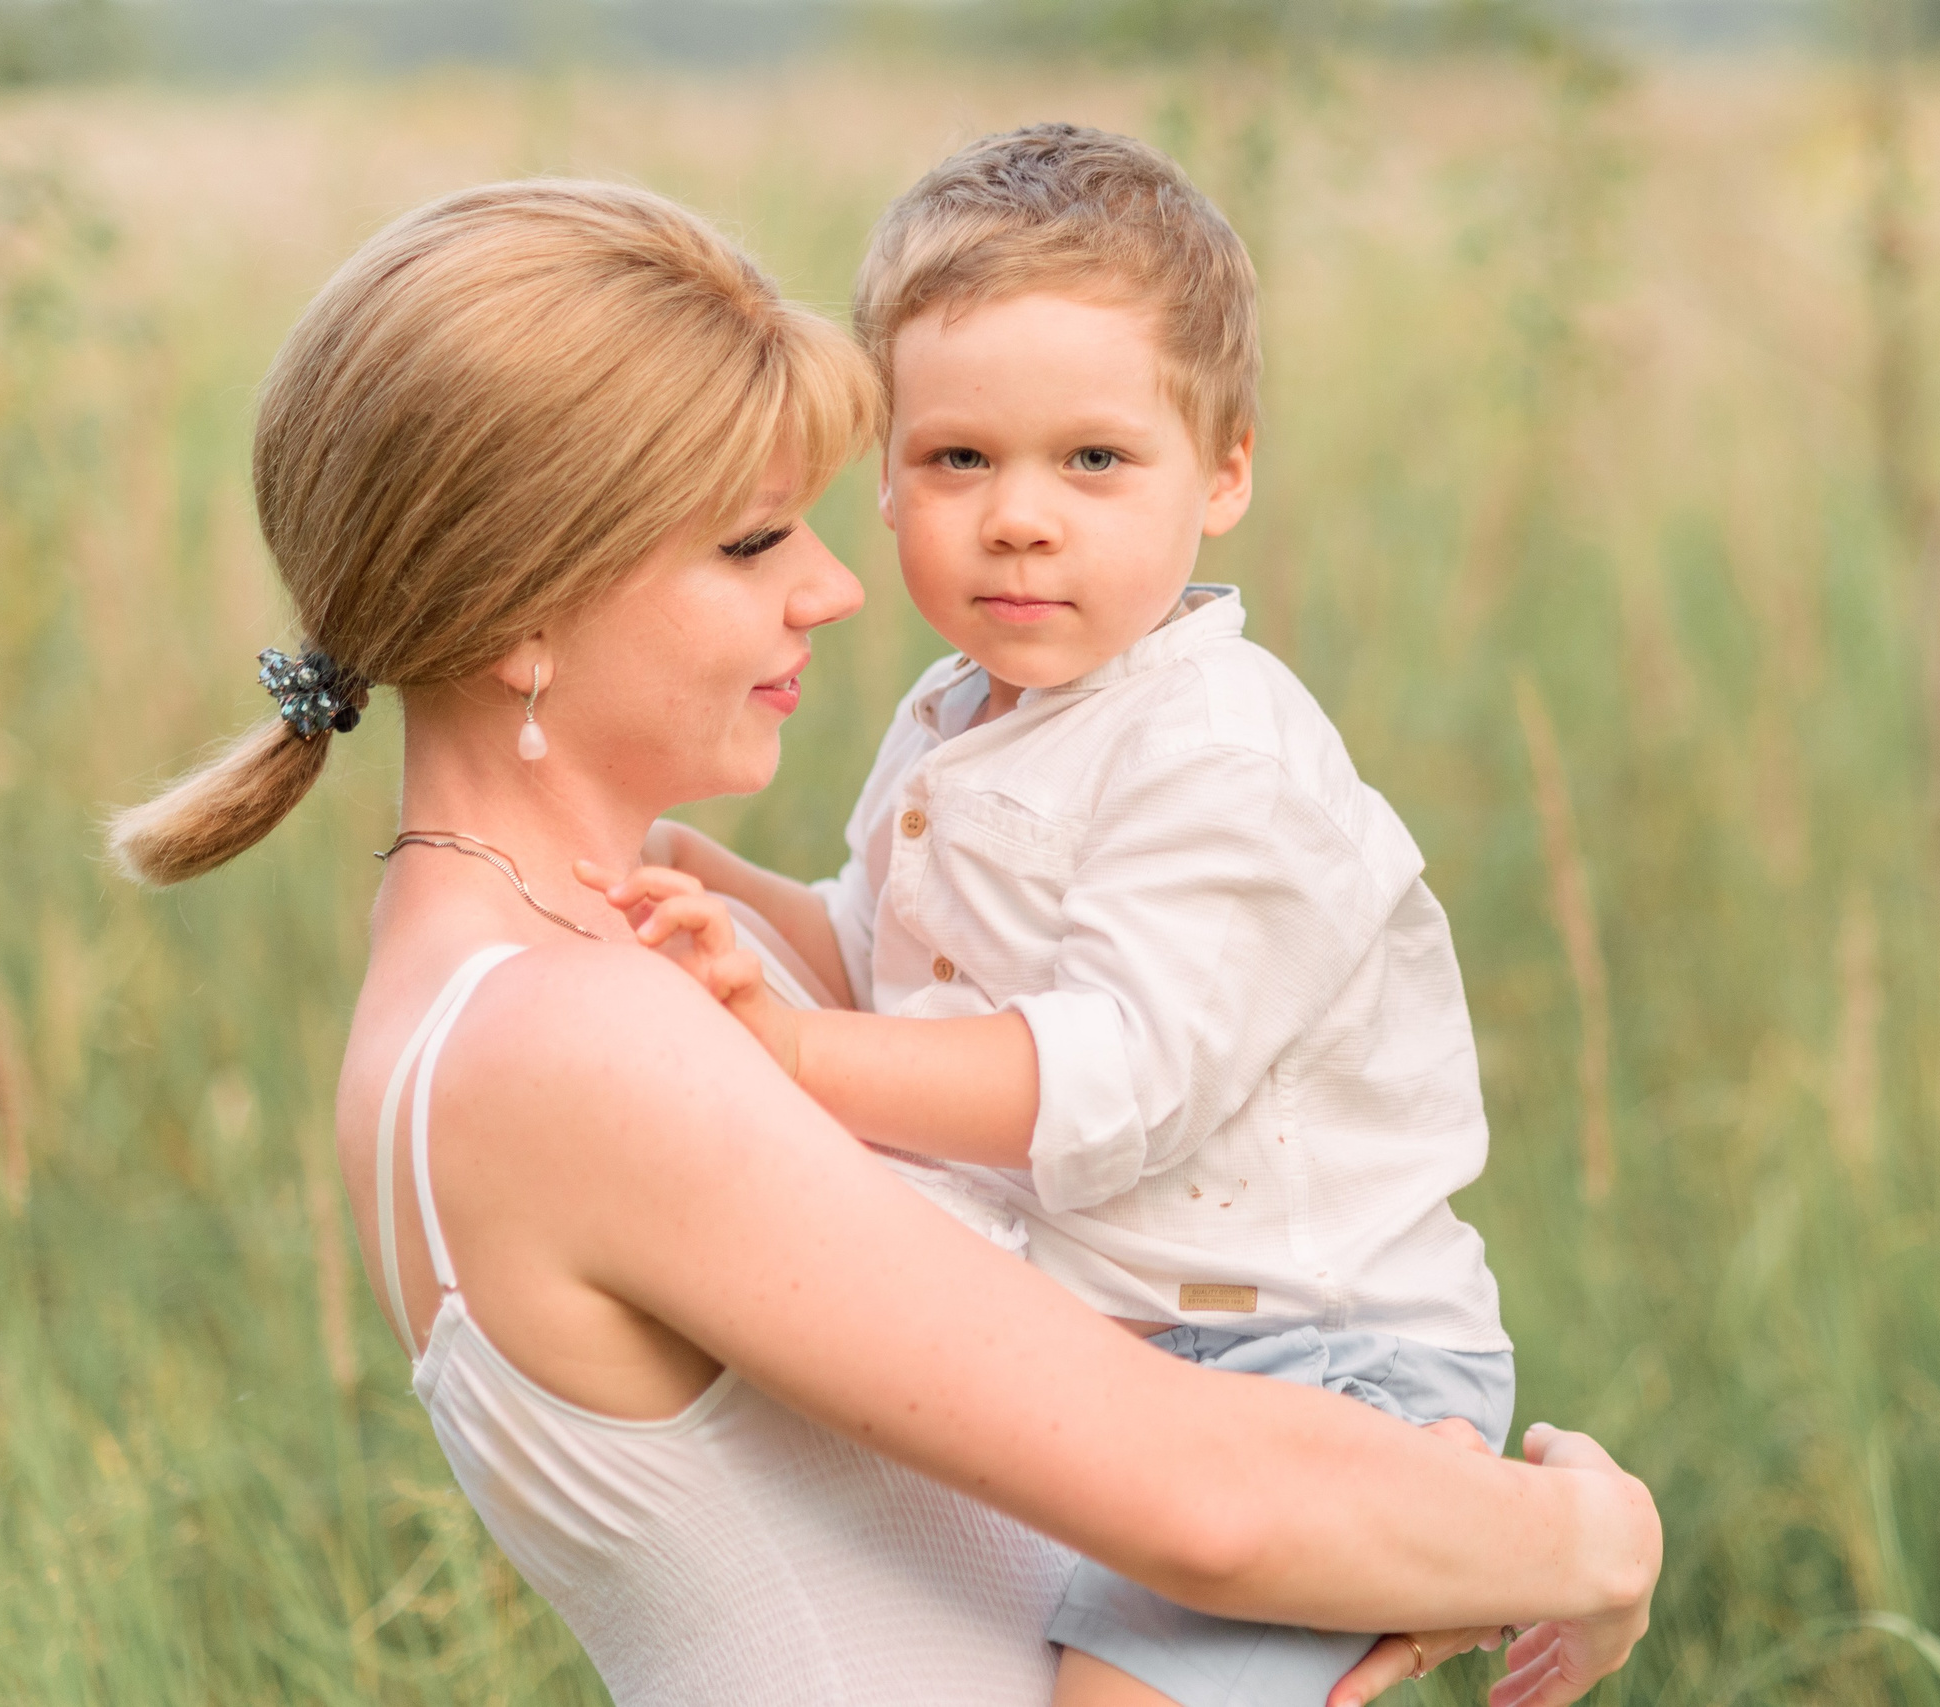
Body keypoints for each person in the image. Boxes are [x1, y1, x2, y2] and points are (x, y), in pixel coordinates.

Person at [108, 177, 1660, 1707]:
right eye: (753, 543)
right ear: (525, 609)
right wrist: (1583, 1537)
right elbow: (1212, 1505)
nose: (840, 587)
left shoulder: (586, 939)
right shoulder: (564, 1038)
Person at [613, 122, 1517, 1707]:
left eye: (1094, 461)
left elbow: (1104, 1075)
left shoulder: (1222, 758)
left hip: (1316, 1359)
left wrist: (797, 1054)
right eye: (961, 459)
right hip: (1111, 1347)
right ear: (884, 478)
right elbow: (905, 977)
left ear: (1224, 469)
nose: (1020, 517)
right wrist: (735, 899)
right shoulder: (961, 712)